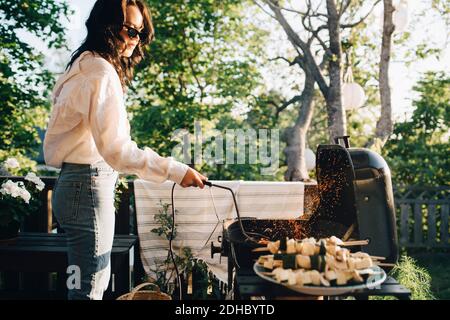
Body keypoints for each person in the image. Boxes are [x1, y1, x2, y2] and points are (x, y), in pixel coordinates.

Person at [43, 0, 207, 300]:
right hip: (87, 186)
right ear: (107, 26)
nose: (136, 40)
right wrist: (176, 170)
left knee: (81, 282)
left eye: (141, 33)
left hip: (76, 186)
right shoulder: (100, 72)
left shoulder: (82, 64)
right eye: (131, 31)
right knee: (89, 287)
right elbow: (118, 151)